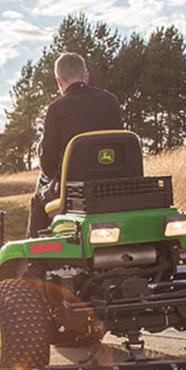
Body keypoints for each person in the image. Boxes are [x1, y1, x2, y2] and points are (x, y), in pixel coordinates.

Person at [27, 52, 124, 237]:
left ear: (58, 81)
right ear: (86, 76)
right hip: (115, 186)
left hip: (73, 193)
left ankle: (34, 261)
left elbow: (48, 166)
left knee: (38, 201)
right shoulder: (110, 101)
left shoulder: (56, 109)